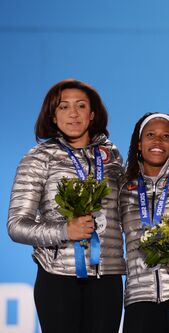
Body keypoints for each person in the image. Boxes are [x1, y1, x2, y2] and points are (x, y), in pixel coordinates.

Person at [7, 79, 125, 332]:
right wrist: (64, 231)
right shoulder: (38, 157)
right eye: (63, 107)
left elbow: (126, 211)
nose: (73, 113)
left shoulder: (111, 155)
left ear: (92, 114)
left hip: (107, 276)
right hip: (58, 277)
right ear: (53, 115)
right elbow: (16, 225)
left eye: (81, 106)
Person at [119, 112, 169, 332]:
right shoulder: (123, 188)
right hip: (138, 297)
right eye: (150, 135)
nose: (157, 141)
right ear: (138, 143)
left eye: (166, 137)